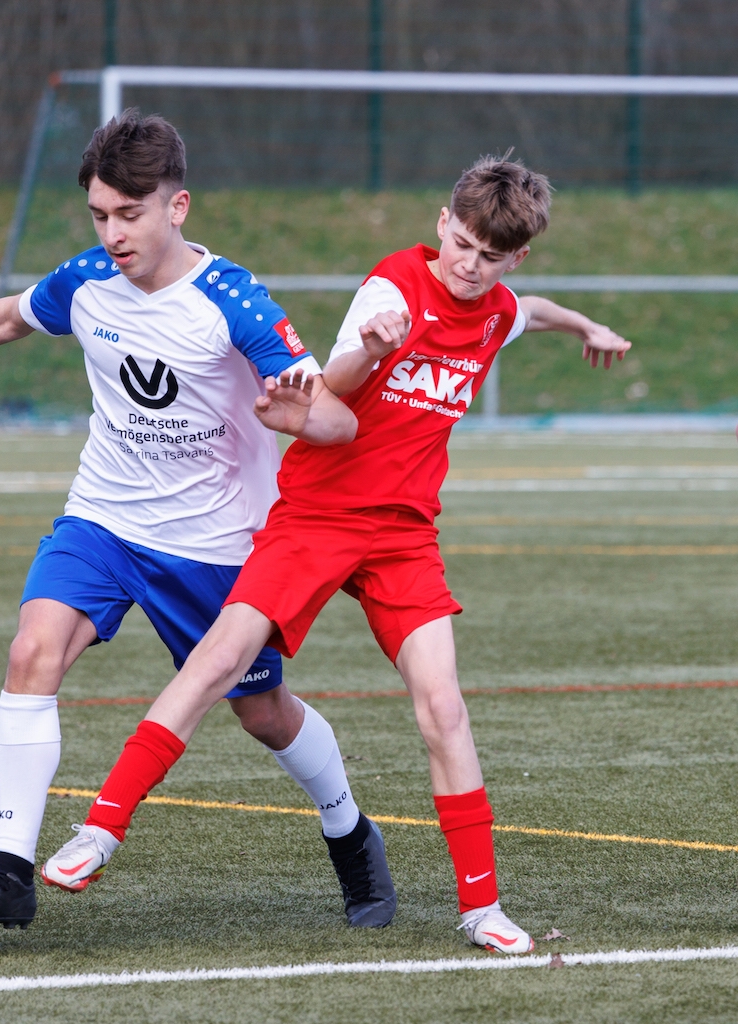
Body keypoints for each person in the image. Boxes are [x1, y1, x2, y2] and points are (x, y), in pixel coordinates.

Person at [0, 110, 398, 932]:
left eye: (129, 214)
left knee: (262, 713)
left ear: (176, 207)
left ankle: (349, 830)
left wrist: (301, 419)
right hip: (104, 520)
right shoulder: (86, 281)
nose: (113, 233)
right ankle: (11, 870)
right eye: (99, 215)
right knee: (32, 649)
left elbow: (336, 419)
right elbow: (9, 317)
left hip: (216, 542)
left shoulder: (235, 302)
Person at [44, 155, 633, 954]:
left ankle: (483, 909)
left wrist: (585, 326)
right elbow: (334, 388)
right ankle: (100, 831)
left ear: (515, 257)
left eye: (491, 257)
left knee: (444, 707)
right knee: (219, 659)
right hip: (318, 514)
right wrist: (371, 349)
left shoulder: (496, 309)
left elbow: (529, 310)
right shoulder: (393, 288)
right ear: (442, 224)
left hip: (404, 533)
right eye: (462, 244)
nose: (469, 265)